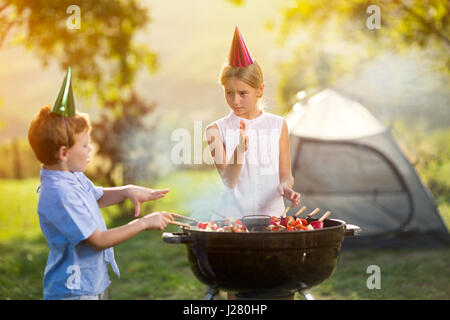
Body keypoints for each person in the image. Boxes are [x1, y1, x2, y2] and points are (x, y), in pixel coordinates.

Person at [28, 67, 174, 300]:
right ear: (64, 152)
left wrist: (127, 191)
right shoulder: (60, 193)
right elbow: (97, 241)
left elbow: (95, 196)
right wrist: (143, 223)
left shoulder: (70, 175)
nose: (90, 150)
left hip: (89, 284)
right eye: (85, 145)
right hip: (73, 292)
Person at [206, 27, 300, 221]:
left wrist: (285, 185)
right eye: (229, 93)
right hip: (233, 221)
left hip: (272, 219)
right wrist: (239, 150)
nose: (235, 101)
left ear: (260, 90)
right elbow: (229, 181)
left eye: (243, 93)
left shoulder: (278, 125)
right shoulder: (215, 130)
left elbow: (286, 174)